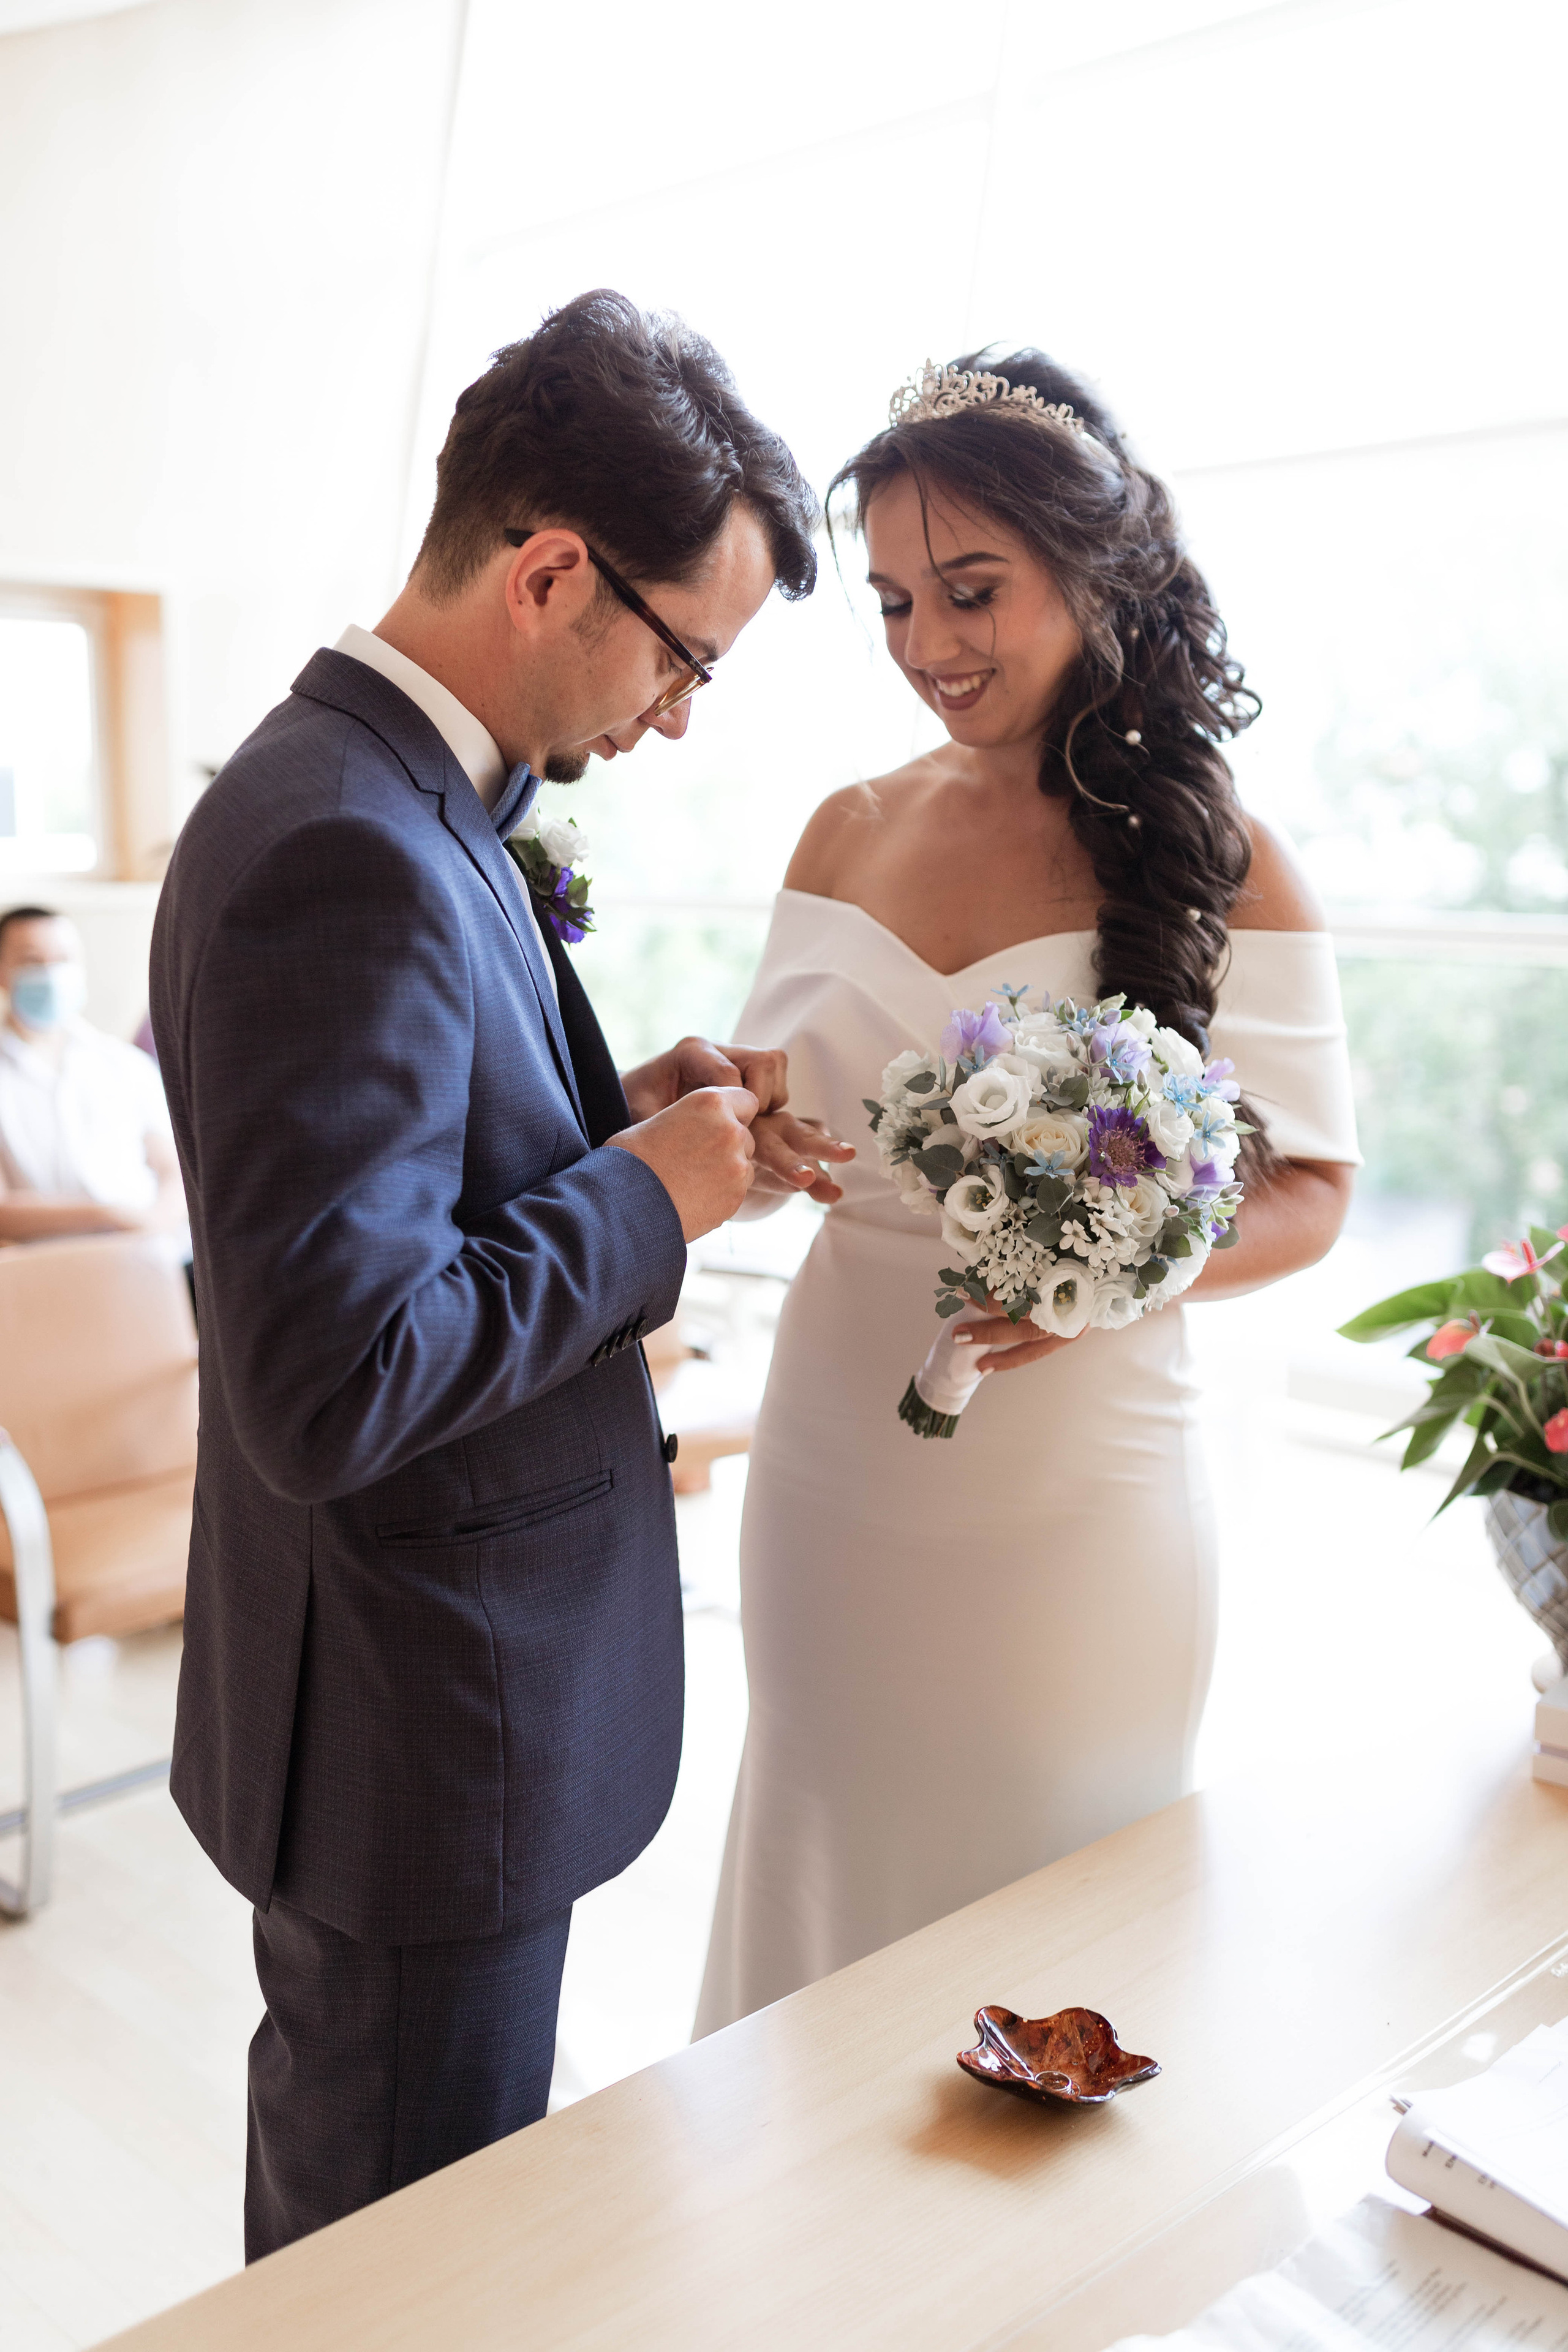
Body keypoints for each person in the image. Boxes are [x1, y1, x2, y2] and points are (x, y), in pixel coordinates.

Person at [149, 290, 836, 2260]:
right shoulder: (346, 841)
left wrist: (614, 1122)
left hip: (410, 1696)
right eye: (685, 656)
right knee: (398, 2269)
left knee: (399, 2245)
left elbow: (393, 1180)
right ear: (549, 573)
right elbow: (334, 1373)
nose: (677, 715)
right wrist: (643, 1206)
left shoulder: (382, 788)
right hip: (416, 1725)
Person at [695, 351, 1362, 2036]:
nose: (927, 643)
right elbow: (781, 1145)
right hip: (836, 1466)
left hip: (1078, 1493)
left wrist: (1118, 1274)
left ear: (1093, 566)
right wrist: (744, 1141)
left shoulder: (1225, 856)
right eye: (894, 602)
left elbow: (1311, 1190)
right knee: (829, 1861)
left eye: (971, 590)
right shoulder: (842, 829)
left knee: (1057, 1910)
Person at [0, 903, 186, 1245]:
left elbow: (174, 1173)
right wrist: (110, 1216)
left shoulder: (125, 1063)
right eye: (31, 961)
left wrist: (154, 1225)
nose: (51, 973)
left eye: (63, 959)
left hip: (152, 1255)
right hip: (47, 1265)